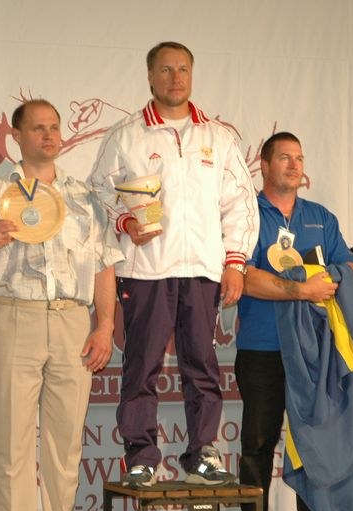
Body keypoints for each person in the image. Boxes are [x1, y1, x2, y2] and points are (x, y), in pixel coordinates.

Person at [88, 41, 259, 488]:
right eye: (165, 70)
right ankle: (141, 455)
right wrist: (124, 220)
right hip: (146, 270)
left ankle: (202, 451)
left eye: (183, 69)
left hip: (202, 271)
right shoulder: (126, 136)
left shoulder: (218, 138)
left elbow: (239, 203)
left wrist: (235, 261)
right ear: (149, 76)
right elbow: (98, 194)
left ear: (192, 75)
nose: (175, 78)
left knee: (201, 364)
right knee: (142, 365)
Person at [0, 99, 123, 511]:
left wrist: (104, 326)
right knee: (12, 445)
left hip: (72, 321)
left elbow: (104, 263)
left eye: (54, 127)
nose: (48, 135)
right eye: (37, 128)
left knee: (65, 446)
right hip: (13, 318)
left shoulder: (85, 196)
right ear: (16, 137)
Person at [233, 132, 353, 511]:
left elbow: (349, 271)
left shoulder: (321, 217)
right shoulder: (245, 215)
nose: (294, 165)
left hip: (315, 353)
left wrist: (321, 276)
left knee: (315, 444)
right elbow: (243, 278)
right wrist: (303, 287)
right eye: (284, 157)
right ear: (264, 166)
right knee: (257, 445)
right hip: (263, 349)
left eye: (299, 158)